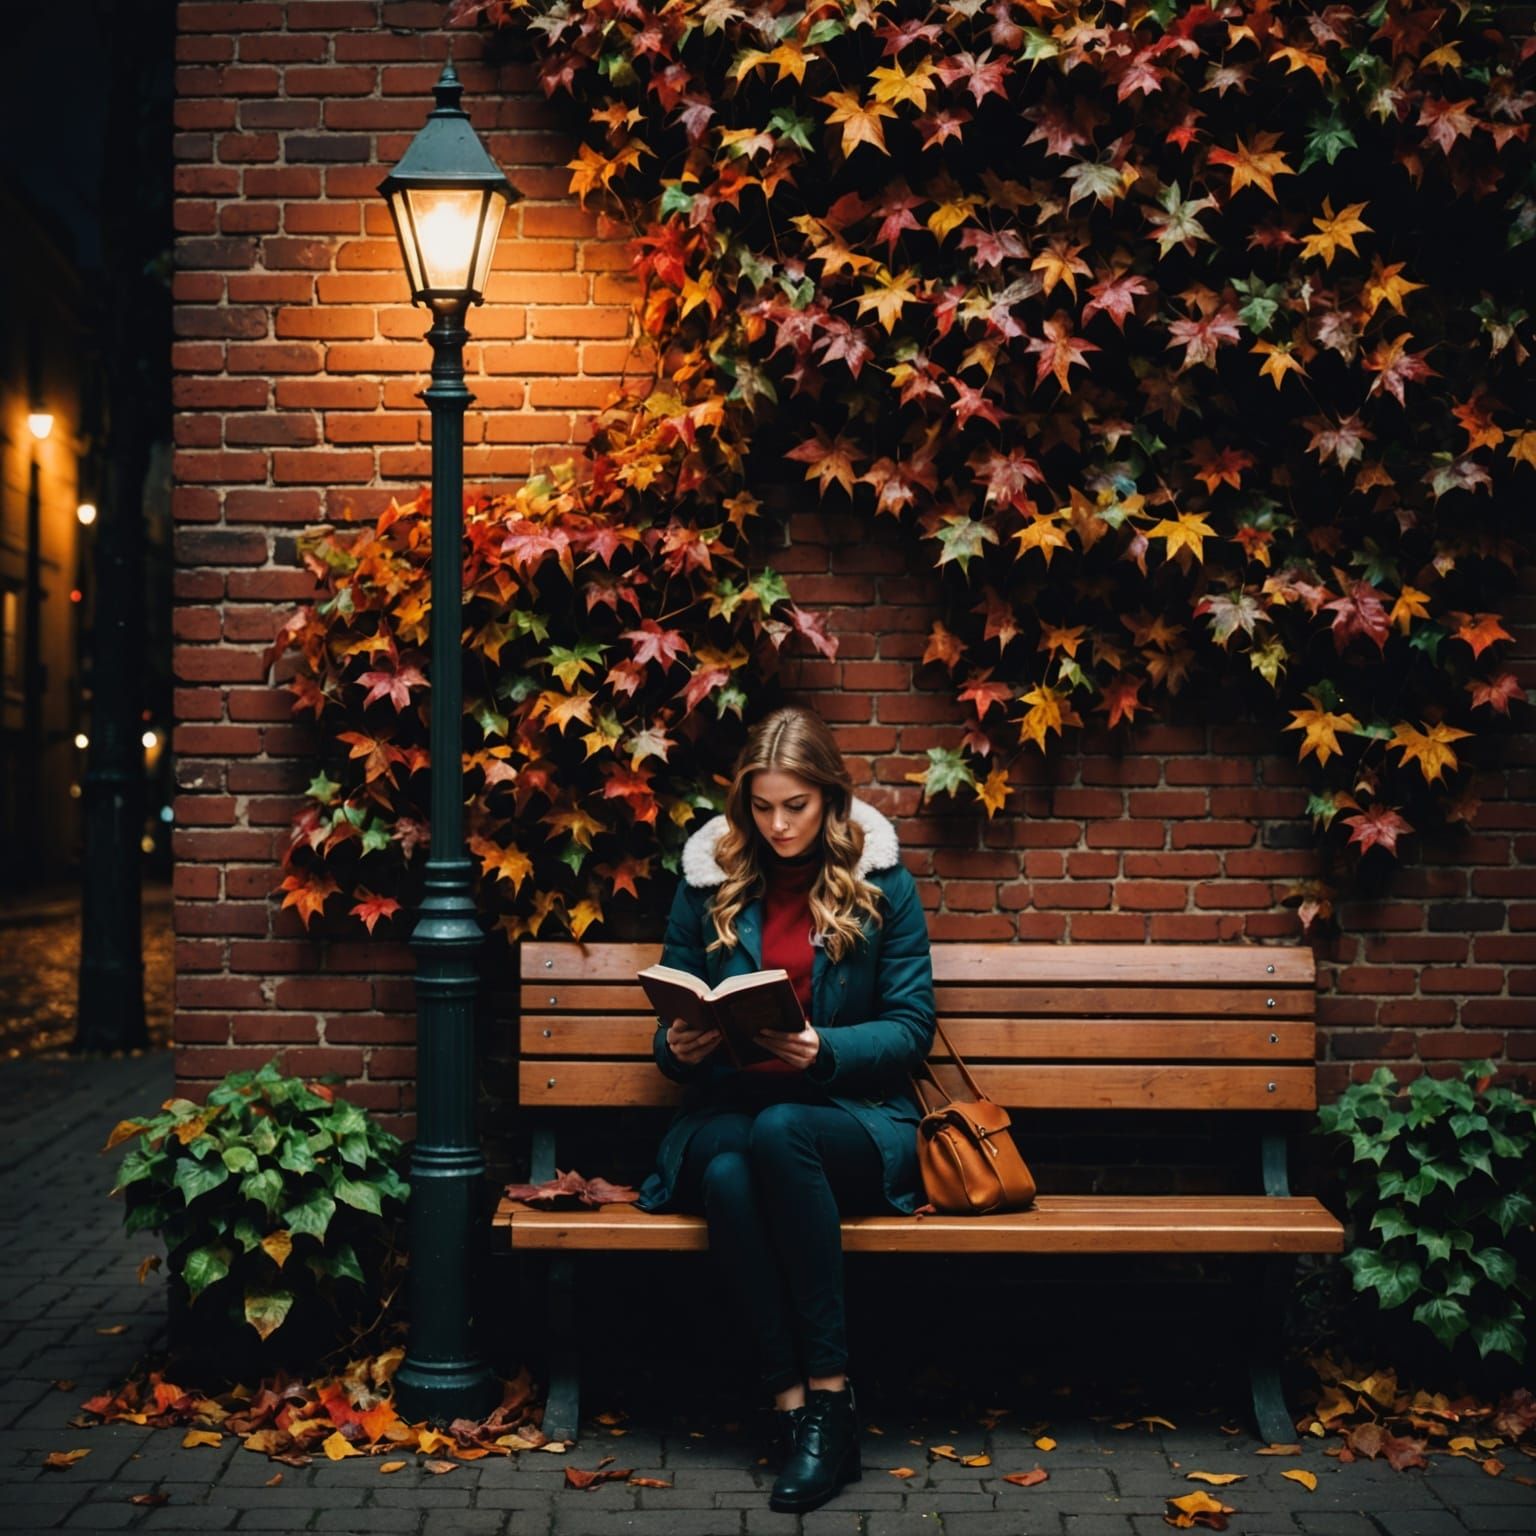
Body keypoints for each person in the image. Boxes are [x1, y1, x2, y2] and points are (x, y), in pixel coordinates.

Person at [635, 704, 937, 1514]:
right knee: (733, 1172)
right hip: (725, 1113)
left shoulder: (884, 885)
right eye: (762, 807)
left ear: (830, 799)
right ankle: (798, 1409)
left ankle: (827, 1399)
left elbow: (911, 1026)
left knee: (781, 1132)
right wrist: (680, 1046)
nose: (778, 825)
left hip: (850, 1118)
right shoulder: (709, 885)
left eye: (794, 806)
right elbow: (674, 1007)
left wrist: (825, 1050)